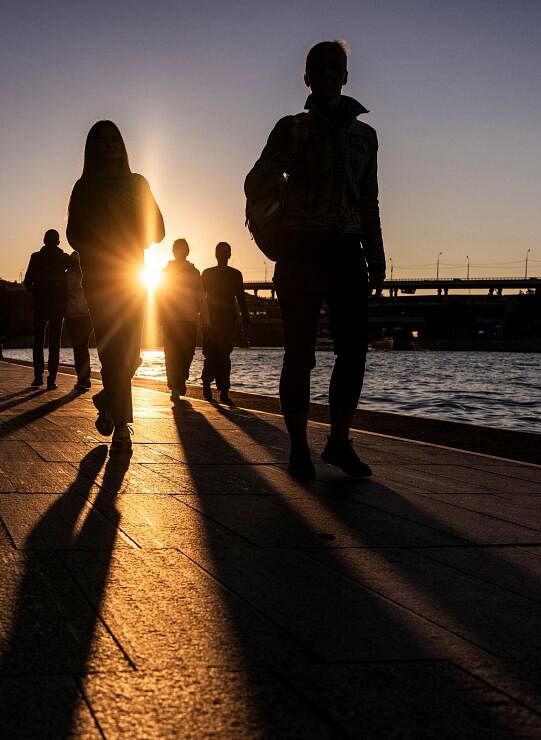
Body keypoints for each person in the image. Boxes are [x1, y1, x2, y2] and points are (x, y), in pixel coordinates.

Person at [246, 40, 386, 479]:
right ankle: (299, 447)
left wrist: (376, 254)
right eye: (318, 68)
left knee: (353, 352)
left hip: (347, 248)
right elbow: (255, 183)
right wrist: (285, 163)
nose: (327, 74)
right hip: (300, 247)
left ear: (345, 75)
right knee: (299, 354)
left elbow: (369, 200)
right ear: (306, 78)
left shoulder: (366, 136)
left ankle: (340, 442)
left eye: (335, 67)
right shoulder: (291, 128)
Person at [67, 120, 165, 452]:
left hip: (133, 278)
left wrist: (132, 209)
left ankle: (109, 399)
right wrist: (97, 233)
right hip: (100, 280)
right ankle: (122, 428)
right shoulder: (84, 188)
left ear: (122, 146)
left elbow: (158, 232)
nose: (109, 145)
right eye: (101, 141)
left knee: (132, 354)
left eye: (114, 139)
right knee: (112, 352)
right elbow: (73, 235)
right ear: (91, 149)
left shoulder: (137, 184)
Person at [201, 241, 251, 404]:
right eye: (221, 252)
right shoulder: (207, 273)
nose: (223, 255)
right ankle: (208, 383)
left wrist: (245, 317)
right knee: (211, 354)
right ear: (216, 255)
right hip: (211, 320)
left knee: (224, 355)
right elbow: (201, 298)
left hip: (228, 321)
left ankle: (223, 390)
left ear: (229, 255)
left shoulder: (236, 274)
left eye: (226, 252)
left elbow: (241, 298)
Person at [23, 229, 72, 389]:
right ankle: (52, 379)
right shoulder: (64, 259)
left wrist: (37, 290)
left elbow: (27, 282)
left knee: (38, 341)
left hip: (40, 304)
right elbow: (75, 275)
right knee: (54, 342)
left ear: (44, 241)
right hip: (58, 306)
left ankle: (38, 377)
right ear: (58, 242)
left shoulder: (36, 257)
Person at [156, 238, 203, 403]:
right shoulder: (166, 271)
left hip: (190, 318)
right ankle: (175, 386)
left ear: (187, 251)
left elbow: (200, 295)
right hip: (171, 318)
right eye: (177, 249)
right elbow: (159, 293)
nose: (180, 252)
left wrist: (201, 312)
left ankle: (181, 379)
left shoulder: (195, 272)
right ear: (174, 251)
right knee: (171, 353)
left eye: (183, 249)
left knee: (187, 352)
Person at [64, 252, 94, 391]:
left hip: (72, 316)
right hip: (86, 315)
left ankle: (82, 378)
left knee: (78, 347)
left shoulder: (66, 276)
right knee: (84, 346)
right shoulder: (87, 274)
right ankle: (86, 376)